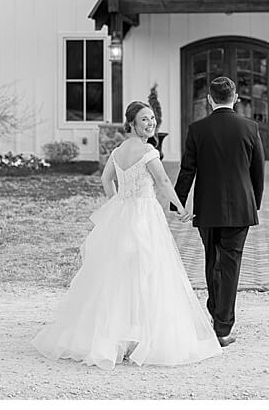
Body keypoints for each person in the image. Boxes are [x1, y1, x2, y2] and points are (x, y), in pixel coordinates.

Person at [32, 101, 221, 369]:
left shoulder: (118, 151)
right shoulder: (148, 151)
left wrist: (116, 202)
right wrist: (179, 208)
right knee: (148, 272)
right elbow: (164, 182)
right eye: (144, 119)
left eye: (152, 118)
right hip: (144, 217)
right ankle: (142, 337)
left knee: (120, 274)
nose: (150, 123)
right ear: (131, 123)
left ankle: (122, 335)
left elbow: (106, 180)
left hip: (122, 216)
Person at [172, 76, 265, 347]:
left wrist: (177, 202)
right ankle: (222, 327)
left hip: (208, 208)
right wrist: (254, 202)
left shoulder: (197, 129)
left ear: (209, 99)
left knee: (212, 261)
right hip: (240, 208)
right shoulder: (250, 127)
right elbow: (257, 171)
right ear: (235, 97)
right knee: (230, 264)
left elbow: (187, 169)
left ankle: (216, 312)